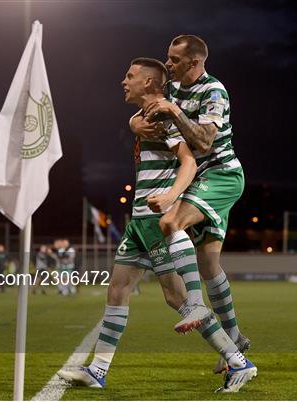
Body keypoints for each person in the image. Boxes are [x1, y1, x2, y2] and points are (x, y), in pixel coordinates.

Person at [58, 58, 254, 392]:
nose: (124, 81)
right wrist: (134, 122)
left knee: (178, 299)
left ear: (149, 83)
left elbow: (189, 162)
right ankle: (98, 370)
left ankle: (238, 361)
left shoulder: (166, 118)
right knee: (118, 288)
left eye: (130, 76)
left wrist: (170, 198)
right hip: (138, 220)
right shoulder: (145, 117)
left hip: (154, 220)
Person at [131, 35, 253, 383]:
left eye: (174, 59)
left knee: (171, 221)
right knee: (209, 264)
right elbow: (144, 108)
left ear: (195, 62)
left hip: (221, 175)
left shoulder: (214, 91)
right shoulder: (171, 89)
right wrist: (134, 124)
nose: (167, 64)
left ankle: (196, 305)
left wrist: (175, 111)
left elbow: (203, 141)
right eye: (168, 58)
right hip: (199, 179)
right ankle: (236, 341)